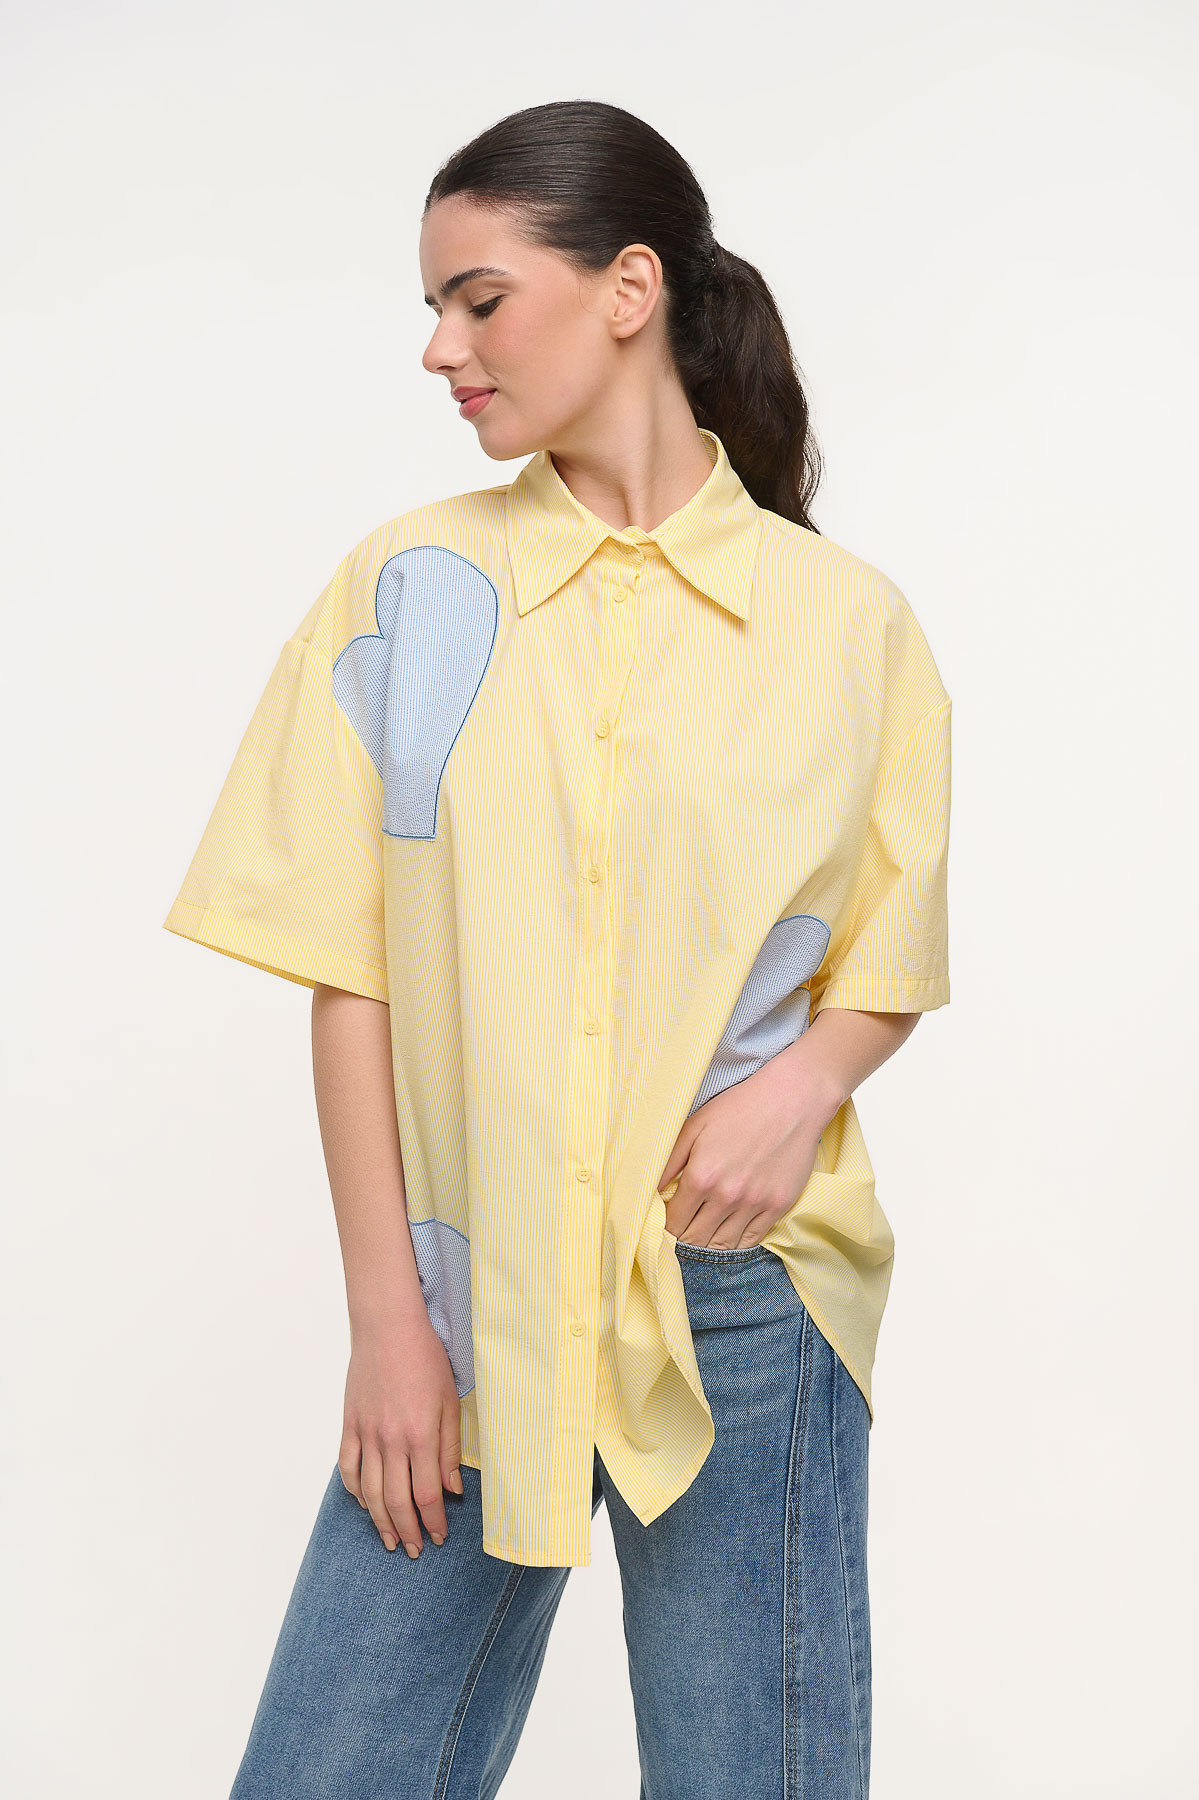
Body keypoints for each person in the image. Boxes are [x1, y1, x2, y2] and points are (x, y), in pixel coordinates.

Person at [163, 98, 952, 1800]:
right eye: (433, 308)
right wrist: (389, 1321)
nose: (441, 349)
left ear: (629, 289)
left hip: (742, 1285)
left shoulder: (847, 623)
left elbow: (888, 944)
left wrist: (796, 1093)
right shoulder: (408, 587)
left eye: (479, 299)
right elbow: (350, 969)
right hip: (466, 1296)